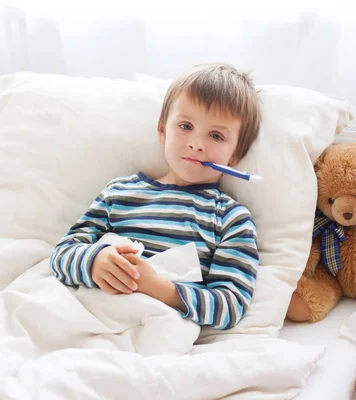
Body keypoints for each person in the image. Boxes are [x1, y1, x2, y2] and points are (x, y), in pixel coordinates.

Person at [50, 63, 261, 330]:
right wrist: (94, 262)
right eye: (185, 126)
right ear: (162, 131)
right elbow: (61, 254)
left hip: (157, 331)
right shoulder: (119, 192)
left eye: (216, 135)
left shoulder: (231, 219)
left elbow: (230, 306)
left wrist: (159, 288)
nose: (196, 144)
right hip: (86, 317)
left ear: (234, 156)